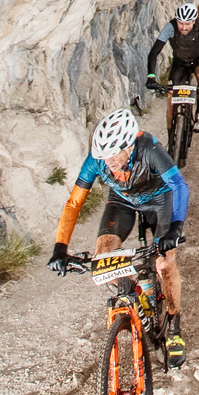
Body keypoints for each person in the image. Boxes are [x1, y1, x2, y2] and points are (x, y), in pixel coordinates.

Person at [50, 108, 190, 368]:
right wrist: (60, 247)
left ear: (129, 145)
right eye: (103, 157)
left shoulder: (149, 148)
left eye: (113, 155)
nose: (108, 163)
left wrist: (175, 230)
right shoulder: (97, 161)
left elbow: (179, 185)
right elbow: (73, 205)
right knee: (104, 255)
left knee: (164, 263)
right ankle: (134, 292)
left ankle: (174, 326)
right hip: (122, 202)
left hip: (159, 200)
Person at [146, 3, 199, 131]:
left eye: (188, 24)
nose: (184, 27)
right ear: (176, 21)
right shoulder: (170, 27)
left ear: (194, 21)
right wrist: (151, 76)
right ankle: (171, 142)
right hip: (180, 61)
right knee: (170, 100)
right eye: (181, 23)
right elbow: (154, 52)